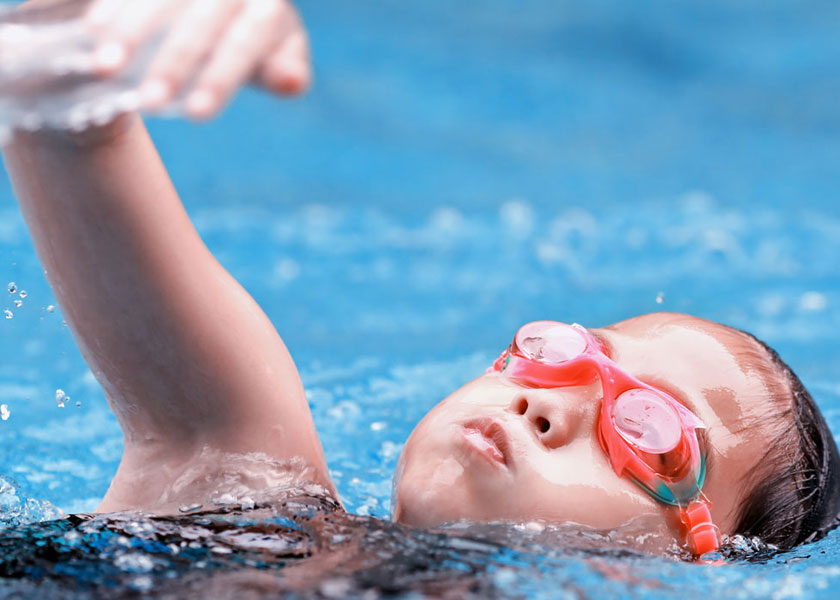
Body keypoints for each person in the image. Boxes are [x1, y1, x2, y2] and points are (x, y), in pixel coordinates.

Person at [2, 0, 839, 558]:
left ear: (691, 562)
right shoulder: (239, 487)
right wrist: (88, 43)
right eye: (569, 354)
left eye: (650, 431)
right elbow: (63, 121)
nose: (548, 408)